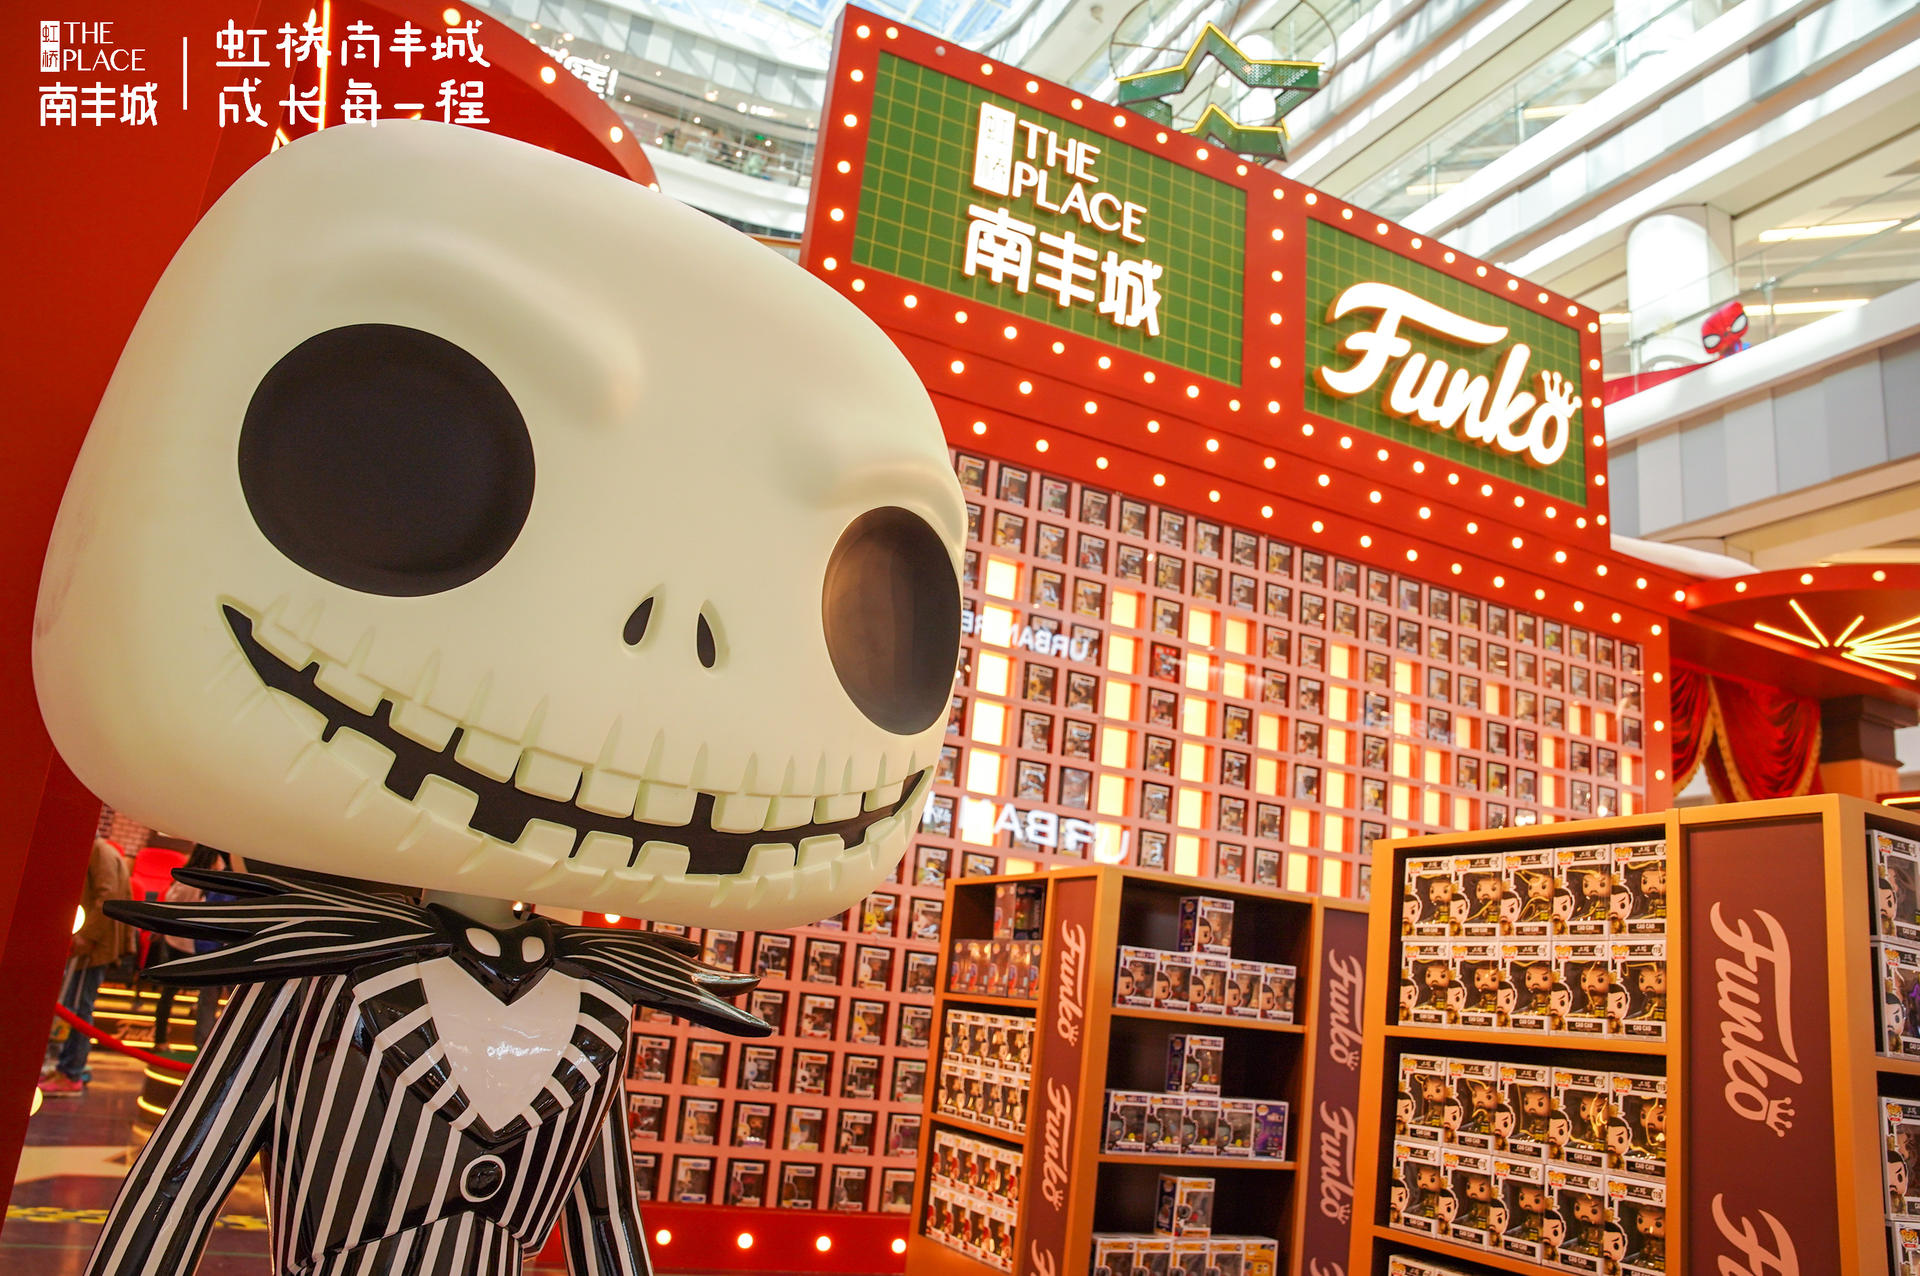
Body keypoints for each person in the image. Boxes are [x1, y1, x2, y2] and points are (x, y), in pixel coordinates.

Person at [42, 838, 135, 1095]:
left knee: (79, 1009)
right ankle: (69, 1069)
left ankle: (71, 1073)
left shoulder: (99, 851)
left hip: (94, 947)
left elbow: (108, 897)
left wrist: (87, 936)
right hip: (91, 944)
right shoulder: (99, 850)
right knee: (76, 1006)